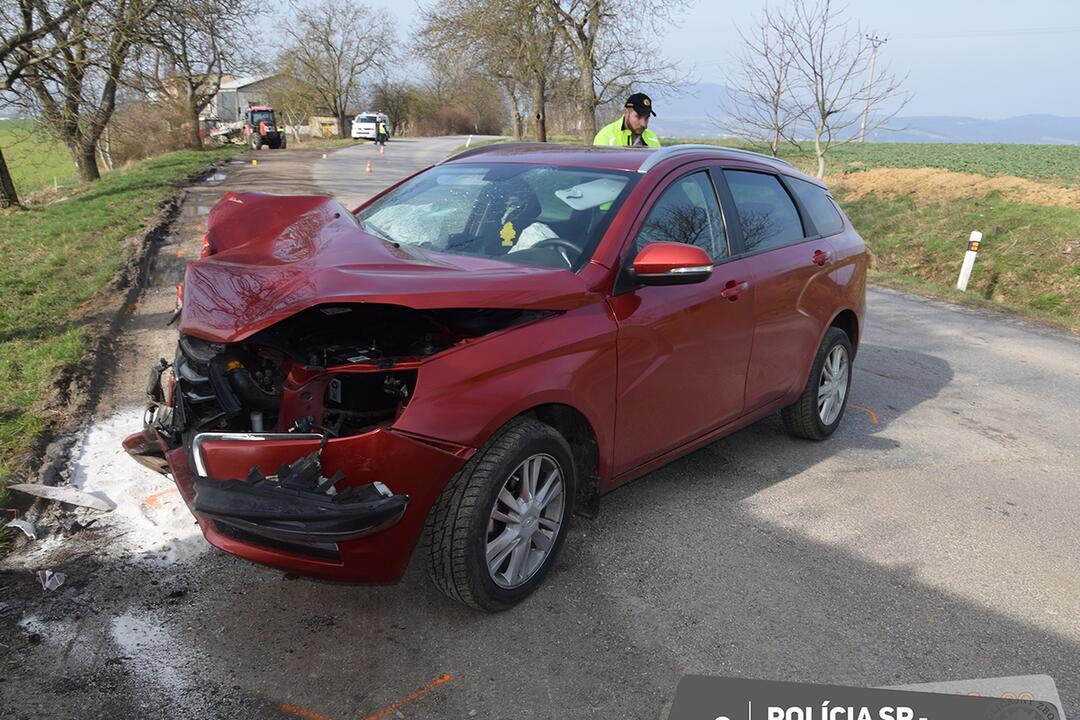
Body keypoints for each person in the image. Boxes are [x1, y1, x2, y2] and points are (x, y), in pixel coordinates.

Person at [593, 92, 660, 147]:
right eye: (638, 117)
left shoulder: (652, 138)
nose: (644, 124)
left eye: (647, 118)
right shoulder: (606, 136)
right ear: (626, 112)